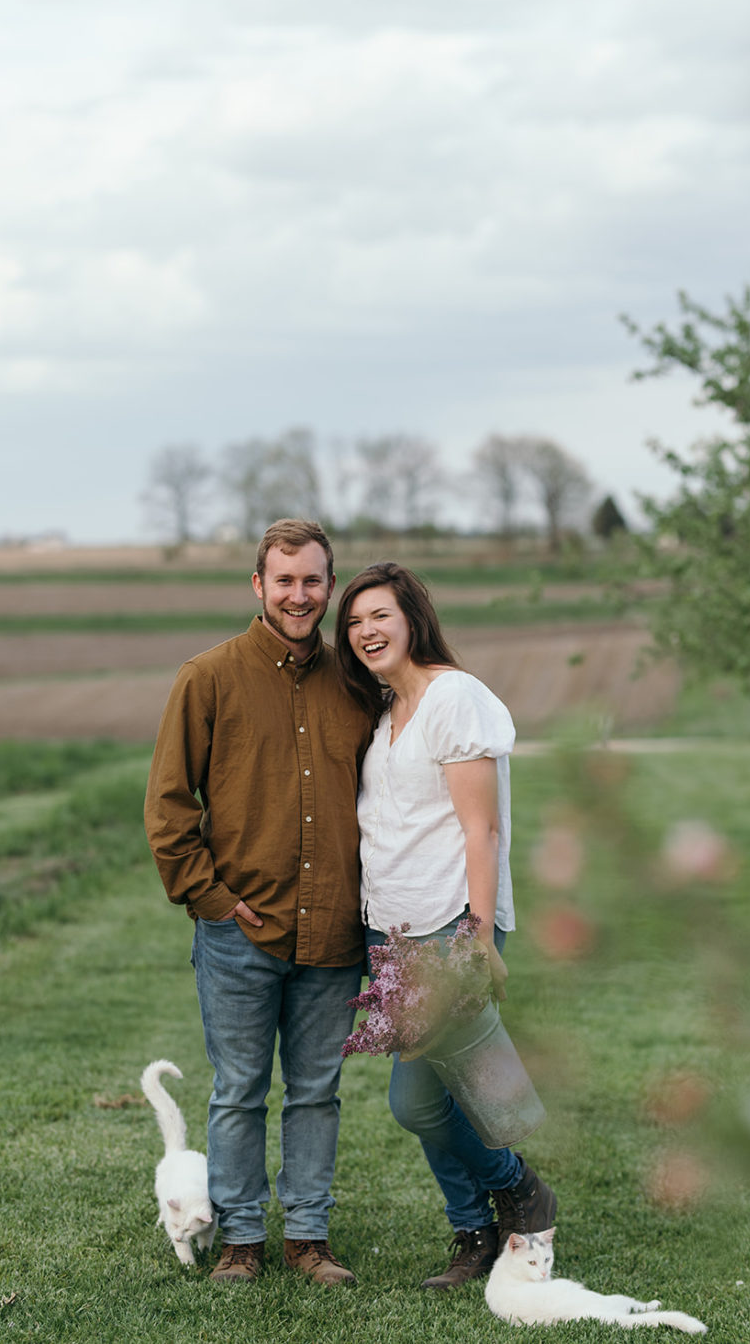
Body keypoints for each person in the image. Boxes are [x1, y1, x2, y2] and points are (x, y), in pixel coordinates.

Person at [144, 519, 372, 1287]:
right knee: (238, 1090)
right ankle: (240, 1237)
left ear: (329, 586)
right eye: (285, 580)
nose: (300, 595)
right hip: (241, 929)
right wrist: (209, 898)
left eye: (313, 580)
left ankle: (308, 1237)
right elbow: (169, 806)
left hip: (335, 928)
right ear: (258, 585)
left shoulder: (356, 684)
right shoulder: (208, 678)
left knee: (316, 1091)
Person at [334, 561, 557, 1291]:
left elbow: (481, 829)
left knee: (418, 1098)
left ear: (412, 620)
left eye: (380, 617)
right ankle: (476, 1232)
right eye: (355, 621)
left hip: (448, 927)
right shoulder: (384, 713)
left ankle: (516, 1186)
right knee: (443, 1095)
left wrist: (481, 935)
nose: (367, 631)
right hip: (391, 935)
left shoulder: (454, 698)